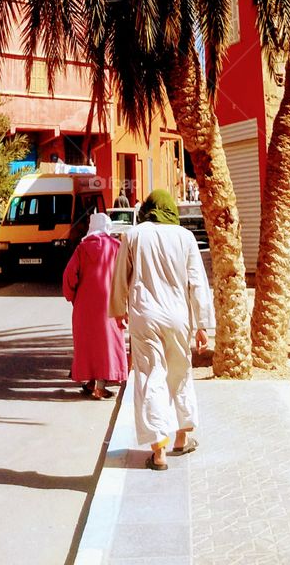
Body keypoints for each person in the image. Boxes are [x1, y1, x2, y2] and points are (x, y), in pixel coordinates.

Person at [109, 188, 213, 471]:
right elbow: (198, 283)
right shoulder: (185, 237)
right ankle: (181, 438)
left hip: (144, 316)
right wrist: (202, 324)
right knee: (180, 372)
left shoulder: (133, 235)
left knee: (150, 376)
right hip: (179, 317)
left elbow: (121, 277)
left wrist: (119, 311)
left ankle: (159, 452)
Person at [62, 212, 127, 400]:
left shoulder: (82, 248)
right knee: (107, 343)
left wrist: (72, 296)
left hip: (84, 306)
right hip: (111, 304)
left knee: (88, 343)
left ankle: (91, 382)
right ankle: (99, 386)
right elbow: (125, 276)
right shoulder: (116, 247)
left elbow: (69, 276)